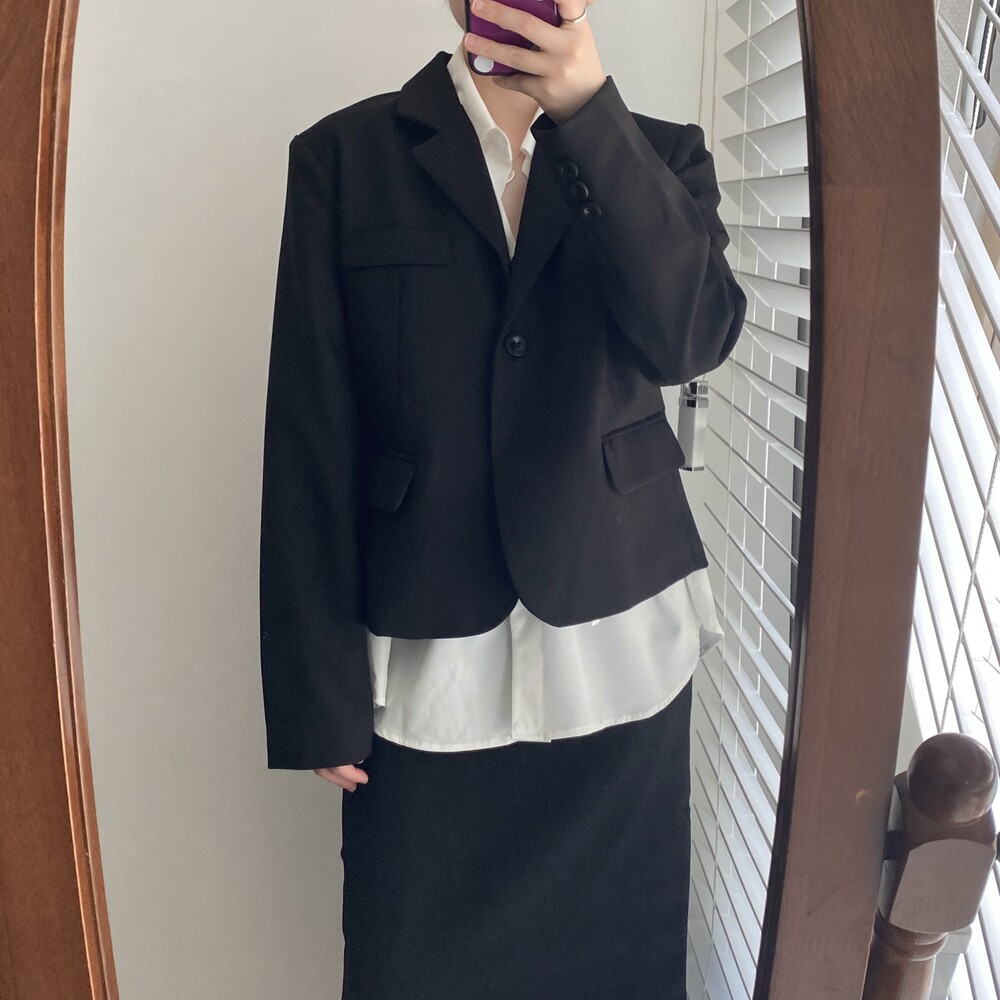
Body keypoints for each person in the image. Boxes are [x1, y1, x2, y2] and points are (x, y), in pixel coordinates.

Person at [258, 1, 747, 997]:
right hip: (428, 665)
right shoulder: (344, 161)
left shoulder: (660, 156)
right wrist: (317, 693)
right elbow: (311, 426)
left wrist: (591, 116)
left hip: (615, 659)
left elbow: (691, 339)